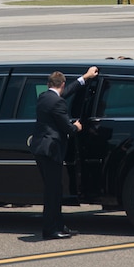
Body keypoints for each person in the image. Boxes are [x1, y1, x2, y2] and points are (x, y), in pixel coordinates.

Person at [29, 66, 99, 239]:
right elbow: (67, 128)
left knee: (54, 189)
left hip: (40, 148)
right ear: (62, 83)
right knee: (53, 192)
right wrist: (76, 126)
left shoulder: (44, 97)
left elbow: (65, 92)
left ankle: (59, 225)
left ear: (49, 84)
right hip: (51, 149)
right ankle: (50, 230)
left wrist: (85, 77)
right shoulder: (58, 102)